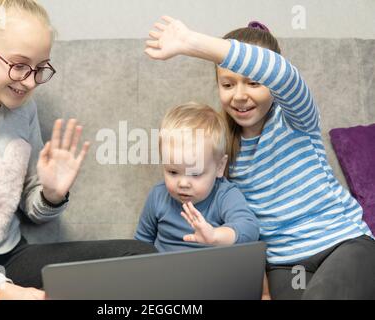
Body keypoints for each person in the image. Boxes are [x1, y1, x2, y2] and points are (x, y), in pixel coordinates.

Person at [0, 0, 155, 300]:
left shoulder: (24, 110)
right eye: (19, 65)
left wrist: (51, 194)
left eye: (40, 68)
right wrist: (1, 292)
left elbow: (32, 208)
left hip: (11, 257)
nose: (31, 81)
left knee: (139, 257)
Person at [144, 16, 375, 299]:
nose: (239, 96)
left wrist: (191, 42)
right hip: (286, 266)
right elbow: (235, 225)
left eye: (253, 82)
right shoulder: (220, 152)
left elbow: (282, 73)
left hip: (344, 245)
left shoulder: (296, 118)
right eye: (227, 85)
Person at [135, 102, 259, 252]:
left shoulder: (224, 195)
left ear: (219, 167)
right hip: (164, 272)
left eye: (195, 173)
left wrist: (214, 236)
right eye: (173, 172)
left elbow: (250, 228)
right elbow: (141, 243)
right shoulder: (158, 196)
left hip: (209, 273)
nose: (183, 183)